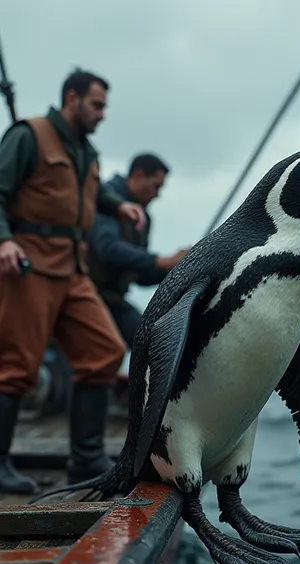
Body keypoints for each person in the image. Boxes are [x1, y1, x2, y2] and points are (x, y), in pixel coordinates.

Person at [0, 69, 146, 494]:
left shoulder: (86, 151)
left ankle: (86, 460)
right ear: (72, 98)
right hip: (28, 265)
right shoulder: (29, 135)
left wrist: (120, 207)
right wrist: (4, 242)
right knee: (16, 367)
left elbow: (89, 194)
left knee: (104, 351)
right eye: (97, 105)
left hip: (72, 269)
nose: (102, 114)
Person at [86, 152, 189, 349]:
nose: (157, 194)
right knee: (111, 349)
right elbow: (108, 250)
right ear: (139, 176)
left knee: (152, 342)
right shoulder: (107, 201)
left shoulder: (143, 218)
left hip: (112, 299)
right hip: (90, 294)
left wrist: (175, 268)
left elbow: (138, 274)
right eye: (155, 186)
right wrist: (162, 261)